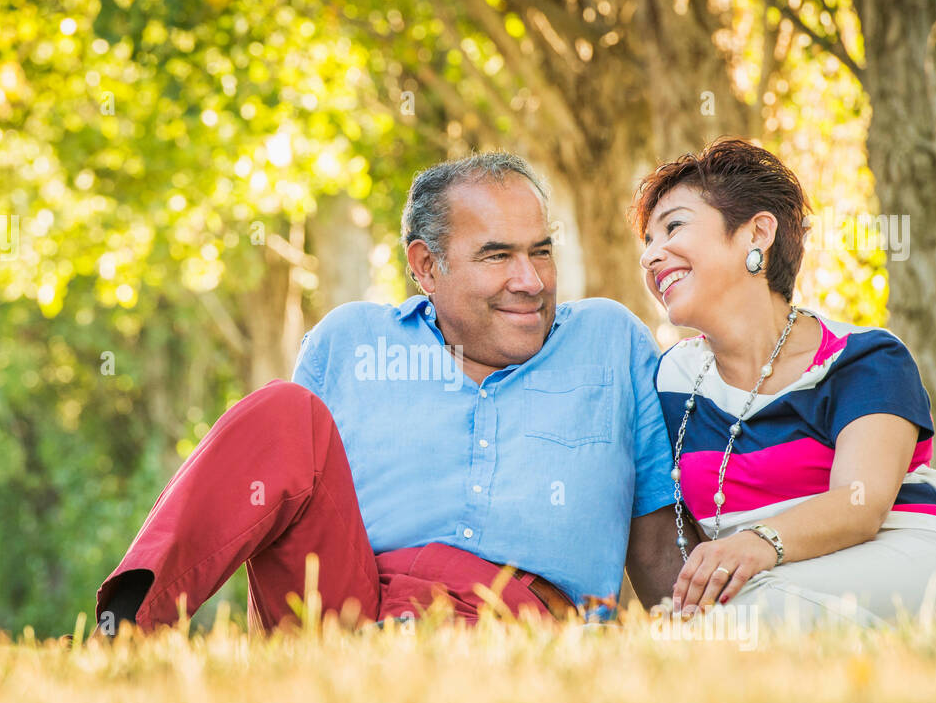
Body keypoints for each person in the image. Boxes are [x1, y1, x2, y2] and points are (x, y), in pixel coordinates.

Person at [94, 152, 691, 637]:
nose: (530, 281)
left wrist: (700, 642)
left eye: (540, 251)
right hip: (343, 607)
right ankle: (125, 629)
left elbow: (658, 546)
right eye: (497, 256)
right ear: (426, 266)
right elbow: (283, 516)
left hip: (510, 622)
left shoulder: (610, 340)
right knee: (281, 410)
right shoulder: (350, 341)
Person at [635, 137, 936, 628]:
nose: (652, 256)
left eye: (673, 226)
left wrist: (758, 543)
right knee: (730, 623)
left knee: (731, 623)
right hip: (761, 583)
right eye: (648, 243)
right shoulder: (671, 381)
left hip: (908, 552)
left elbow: (862, 504)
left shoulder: (865, 358)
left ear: (756, 233)